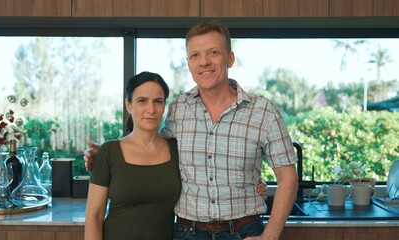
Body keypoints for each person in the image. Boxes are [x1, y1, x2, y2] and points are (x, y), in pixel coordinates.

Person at [85, 21, 298, 240]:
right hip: (189, 233)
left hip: (245, 231)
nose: (204, 61)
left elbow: (288, 178)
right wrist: (110, 155)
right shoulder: (179, 108)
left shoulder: (263, 111)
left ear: (230, 58)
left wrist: (269, 236)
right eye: (195, 55)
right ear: (189, 63)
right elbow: (151, 145)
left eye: (213, 52)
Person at [84, 71, 181, 240]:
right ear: (129, 105)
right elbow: (94, 217)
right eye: (142, 101)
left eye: (158, 101)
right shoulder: (108, 152)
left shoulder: (177, 149)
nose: (151, 109)